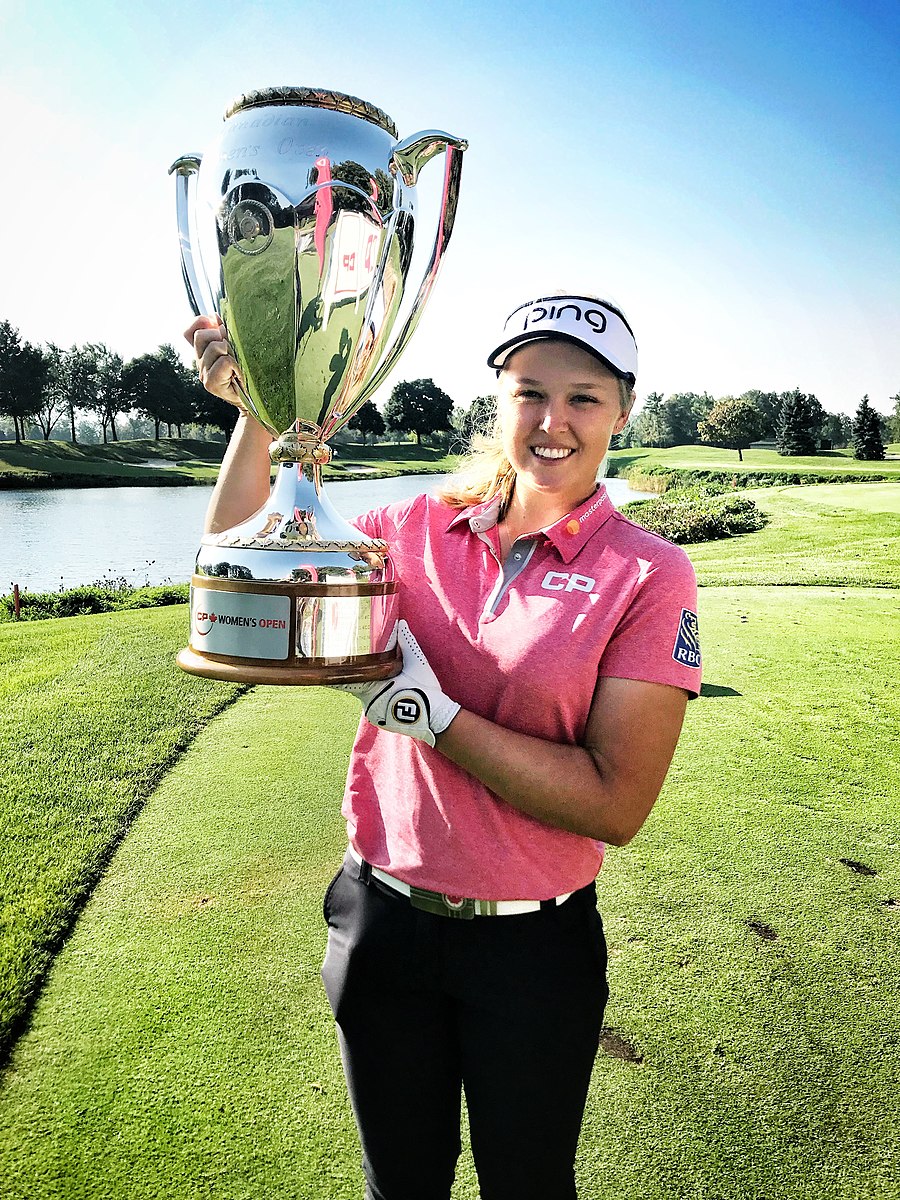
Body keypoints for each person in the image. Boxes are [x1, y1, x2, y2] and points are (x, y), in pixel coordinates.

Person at [188, 291, 702, 1200]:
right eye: (528, 391)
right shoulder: (416, 527)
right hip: (382, 922)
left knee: (528, 1187)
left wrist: (438, 719)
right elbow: (244, 574)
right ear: (498, 401)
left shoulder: (648, 571)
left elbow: (617, 803)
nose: (552, 421)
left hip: (532, 951)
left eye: (583, 397)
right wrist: (258, 416)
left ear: (623, 409)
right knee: (401, 1186)